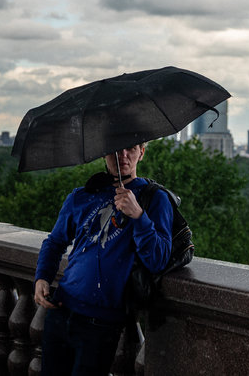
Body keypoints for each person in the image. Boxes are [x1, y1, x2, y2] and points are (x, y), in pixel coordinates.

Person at [33, 143, 173, 376]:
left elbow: (158, 259)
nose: (123, 155)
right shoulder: (82, 195)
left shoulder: (154, 199)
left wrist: (138, 216)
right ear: (104, 154)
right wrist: (42, 277)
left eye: (131, 149)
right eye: (116, 149)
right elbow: (55, 242)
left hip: (101, 324)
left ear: (142, 152)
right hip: (60, 310)